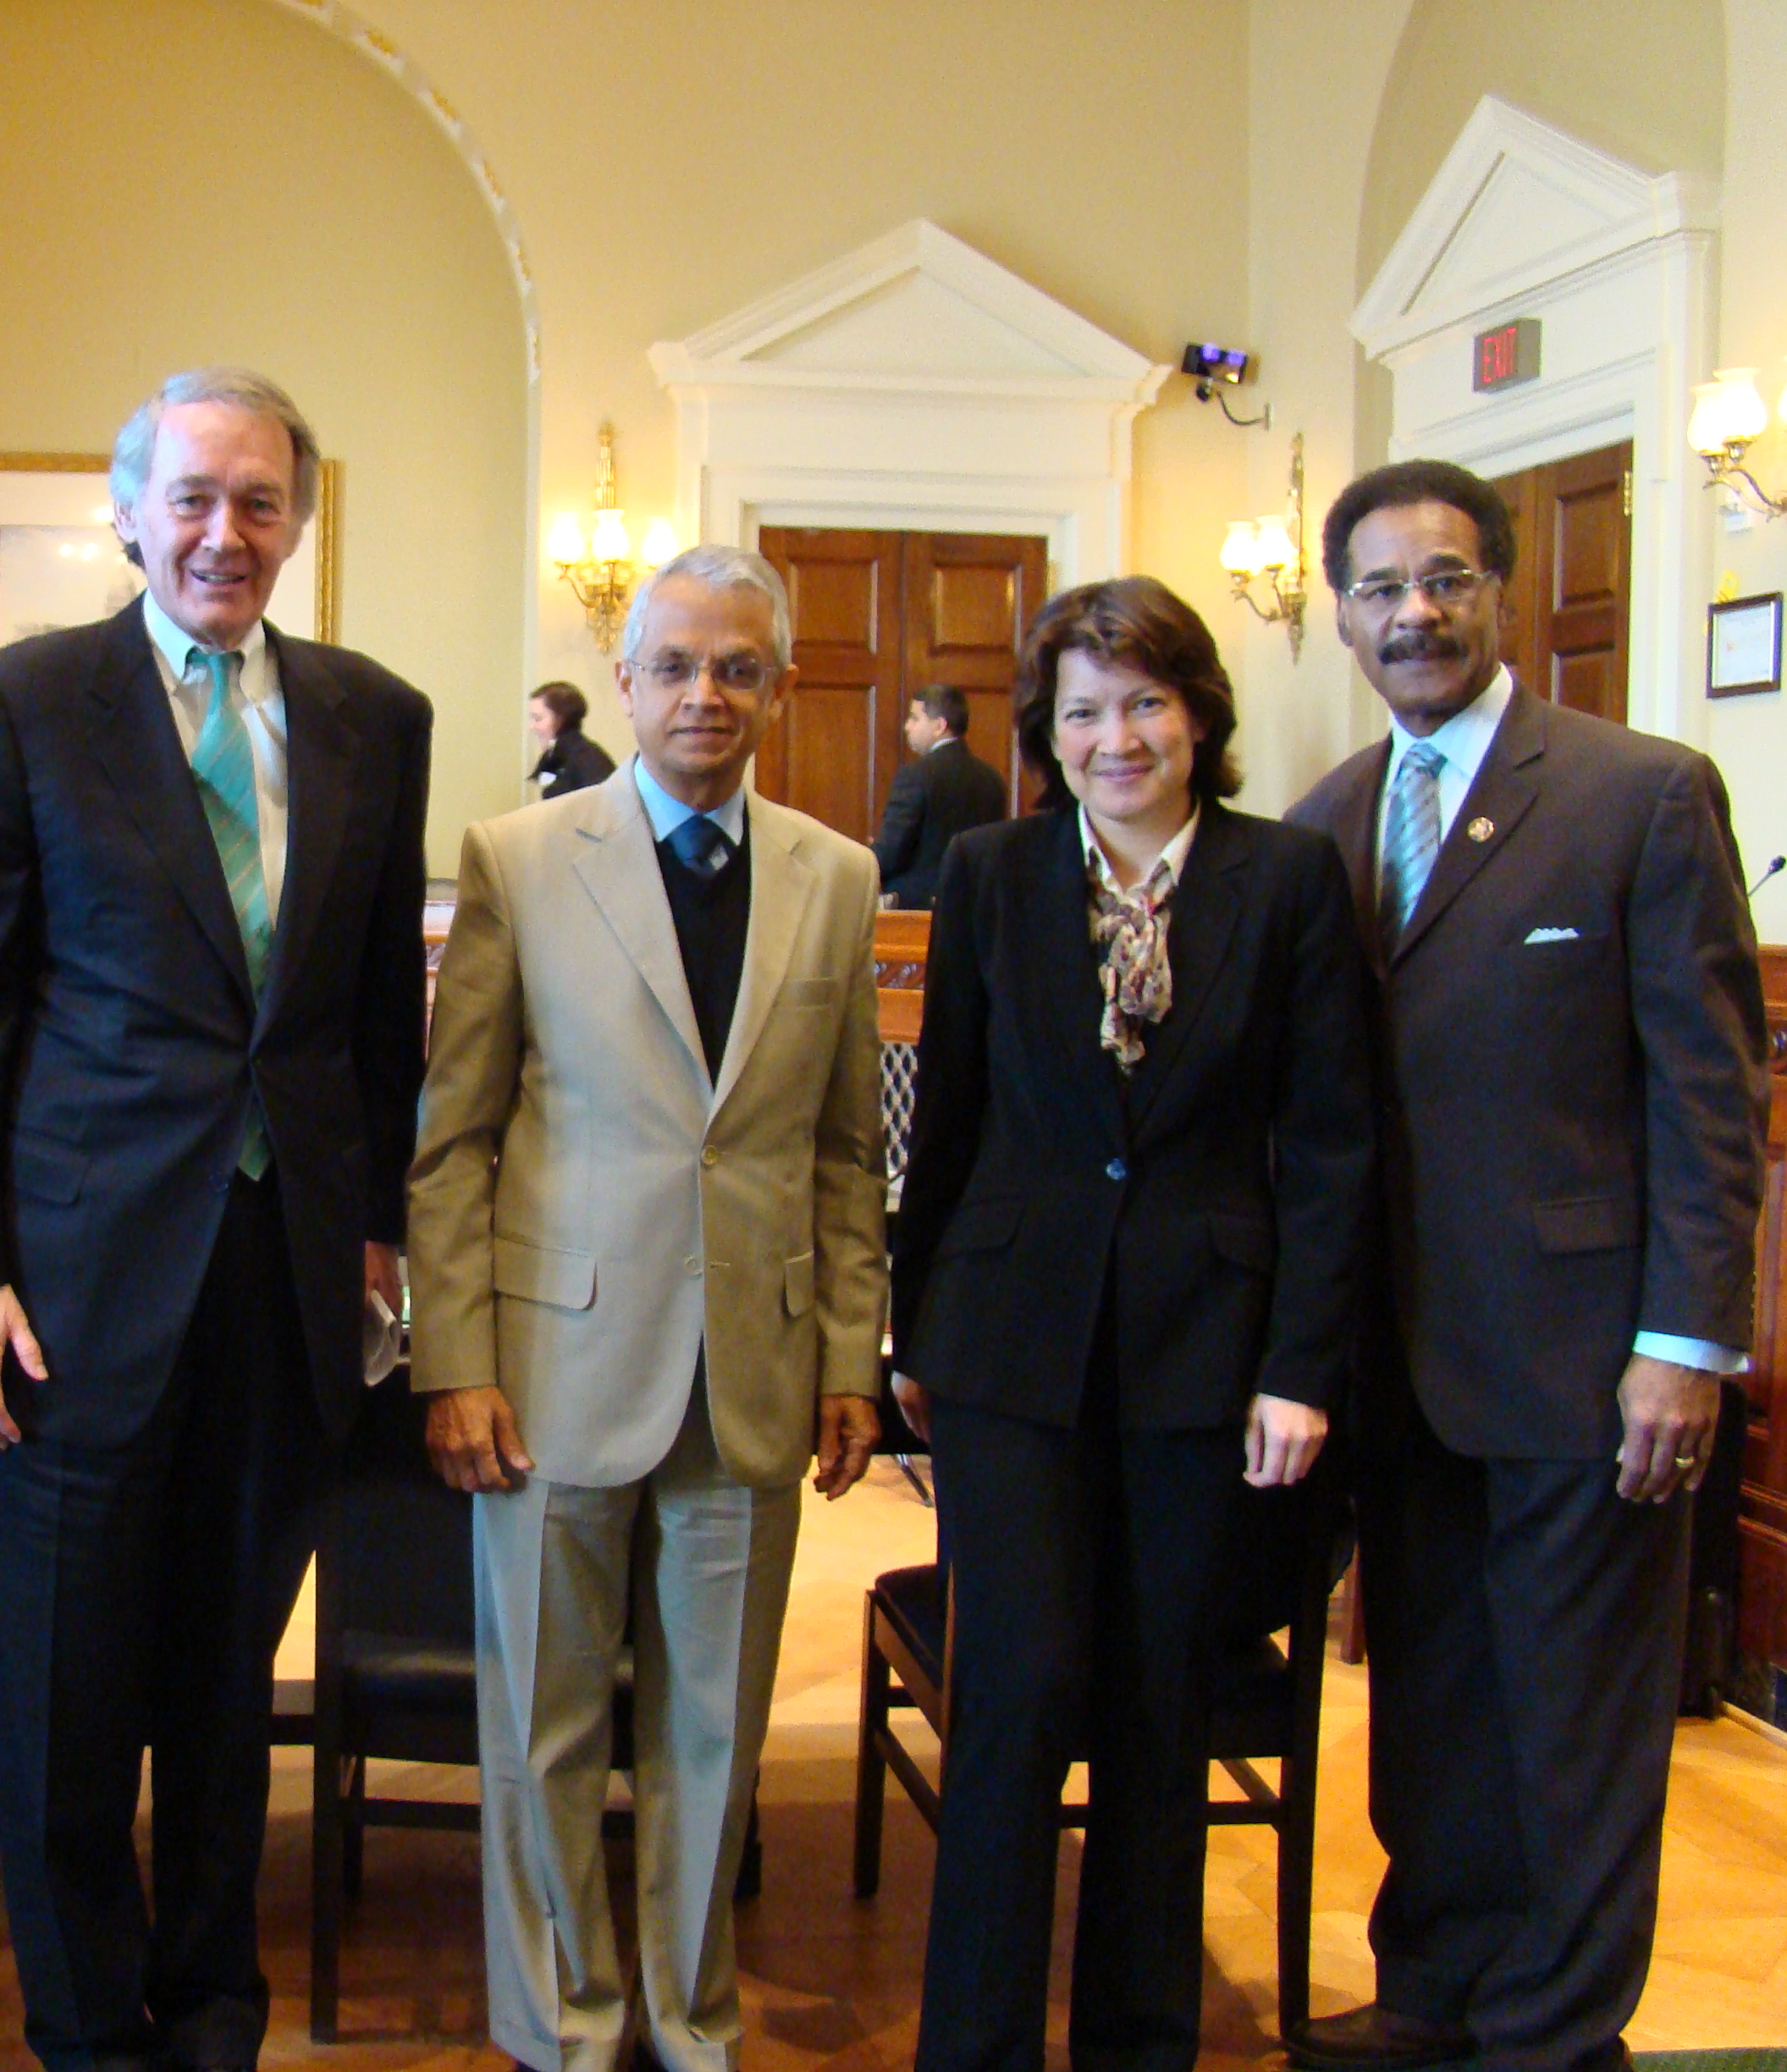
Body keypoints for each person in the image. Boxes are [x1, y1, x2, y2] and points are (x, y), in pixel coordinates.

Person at [0, 367, 433, 2072]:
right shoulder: (21, 703)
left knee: (221, 1702)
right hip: (71, 1296)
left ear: (299, 519)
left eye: (258, 500)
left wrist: (376, 1226)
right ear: (129, 514)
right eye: (190, 498)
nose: (223, 533)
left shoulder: (375, 716)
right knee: (62, 1714)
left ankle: (211, 2023)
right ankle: (87, 2037)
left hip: (284, 1293)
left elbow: (373, 1020)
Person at [1283, 461, 1766, 2072]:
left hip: (1585, 1358)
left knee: (1573, 1718)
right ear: (1340, 614)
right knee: (1429, 1696)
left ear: (1499, 590)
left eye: (1443, 579)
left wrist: (1684, 1342)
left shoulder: (1638, 792)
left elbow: (1708, 1093)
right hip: (1398, 1358)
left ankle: (1551, 2034)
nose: (1411, 613)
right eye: (1377, 588)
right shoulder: (1325, 820)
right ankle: (1434, 1987)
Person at [411, 544, 887, 2072]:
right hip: (553, 1363)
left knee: (712, 1734)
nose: (705, 694)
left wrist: (849, 1355)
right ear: (623, 682)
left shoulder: (835, 875)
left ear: (778, 686)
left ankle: (690, 2024)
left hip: (754, 1365)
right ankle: (563, 2023)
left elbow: (843, 1152)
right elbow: (455, 1137)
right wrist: (454, 1356)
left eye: (738, 668)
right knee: (544, 1726)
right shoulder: (519, 857)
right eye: (675, 665)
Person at [888, 576, 1374, 2072]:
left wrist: (1300, 1366)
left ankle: (1137, 2042)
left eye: (1146, 703)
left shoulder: (1286, 877)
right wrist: (911, 1330)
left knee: (1162, 1703)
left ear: (1199, 716)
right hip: (1005, 1340)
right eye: (1084, 710)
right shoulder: (989, 869)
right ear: (1047, 730)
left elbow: (1330, 1141)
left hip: (1209, 1351)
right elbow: (948, 1116)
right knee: (1017, 1693)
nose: (1117, 738)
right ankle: (973, 2047)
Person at [871, 684, 1006, 910]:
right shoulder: (992, 779)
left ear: (940, 725)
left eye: (914, 718)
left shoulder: (915, 775)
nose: (907, 727)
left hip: (916, 911)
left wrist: (864, 862)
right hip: (976, 906)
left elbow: (891, 852)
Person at [527, 679, 615, 799]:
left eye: (538, 719)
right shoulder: (557, 757)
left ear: (561, 719)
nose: (532, 727)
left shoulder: (587, 760)